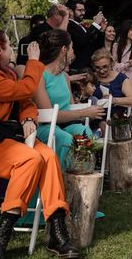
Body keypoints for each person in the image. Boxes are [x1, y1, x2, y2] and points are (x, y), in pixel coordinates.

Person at [0, 30, 78, 259]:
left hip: (11, 141)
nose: (11, 49)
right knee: (32, 158)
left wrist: (28, 118)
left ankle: (57, 234)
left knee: (48, 156)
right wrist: (33, 63)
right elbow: (25, 89)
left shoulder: (6, 74)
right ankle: (2, 233)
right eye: (8, 45)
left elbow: (25, 101)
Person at [33, 30, 103, 166]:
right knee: (65, 139)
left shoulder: (64, 77)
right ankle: (62, 181)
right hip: (45, 126)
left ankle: (82, 178)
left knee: (85, 132)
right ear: (64, 50)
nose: (73, 52)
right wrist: (84, 112)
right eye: (71, 47)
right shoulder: (39, 75)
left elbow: (71, 106)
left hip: (65, 125)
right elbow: (49, 115)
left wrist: (91, 110)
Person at [16, 4, 69, 71]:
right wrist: (66, 15)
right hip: (36, 71)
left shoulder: (48, 29)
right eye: (63, 15)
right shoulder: (41, 29)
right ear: (56, 15)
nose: (67, 21)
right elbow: (61, 38)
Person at [65, 0, 105, 70]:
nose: (83, 13)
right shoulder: (68, 25)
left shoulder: (83, 27)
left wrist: (101, 31)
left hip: (91, 68)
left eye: (84, 10)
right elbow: (82, 41)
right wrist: (95, 24)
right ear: (70, 11)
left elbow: (95, 47)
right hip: (79, 69)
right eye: (80, 10)